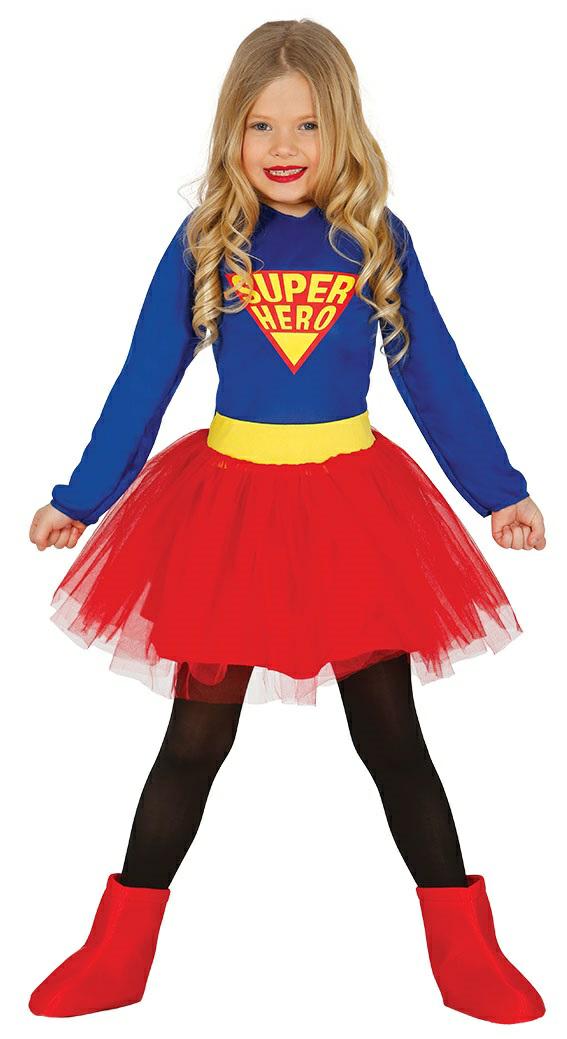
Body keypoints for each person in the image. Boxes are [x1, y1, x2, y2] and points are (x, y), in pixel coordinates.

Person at [27, 18, 546, 1024]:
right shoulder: (207, 242)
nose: (283, 146)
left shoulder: (375, 240)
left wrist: (498, 490)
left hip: (355, 514)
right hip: (227, 514)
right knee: (193, 739)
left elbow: (434, 373)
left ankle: (466, 948)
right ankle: (117, 950)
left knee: (392, 737)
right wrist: (81, 497)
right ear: (232, 129)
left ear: (341, 126)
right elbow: (145, 378)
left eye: (306, 124)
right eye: (260, 124)